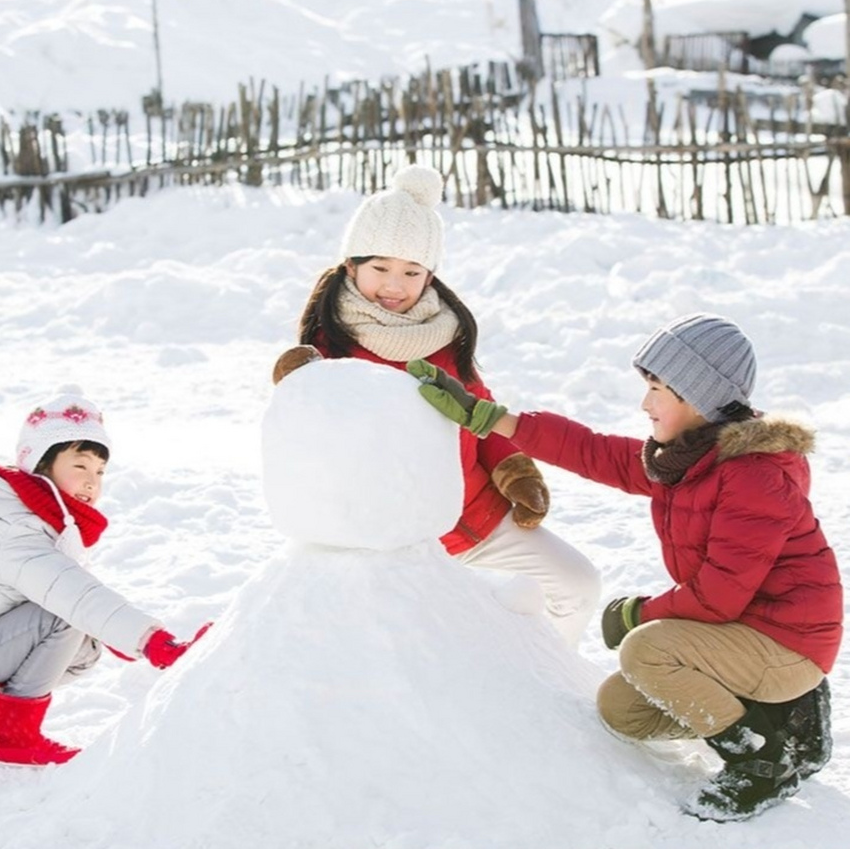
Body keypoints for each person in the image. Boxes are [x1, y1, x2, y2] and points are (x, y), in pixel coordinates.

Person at [409, 312, 842, 822]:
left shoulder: (752, 477)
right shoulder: (687, 457)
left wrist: (639, 613)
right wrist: (490, 419)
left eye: (658, 388)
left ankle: (761, 759)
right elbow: (595, 452)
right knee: (624, 710)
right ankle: (783, 716)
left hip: (789, 641)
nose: (645, 403)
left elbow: (718, 596)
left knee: (648, 650)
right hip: (741, 632)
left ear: (698, 396)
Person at [297, 164, 600, 647]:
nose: (395, 285)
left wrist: (513, 471)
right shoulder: (330, 349)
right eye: (380, 267)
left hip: (478, 517)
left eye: (411, 271)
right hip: (394, 543)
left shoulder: (443, 334)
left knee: (577, 585)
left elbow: (480, 413)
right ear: (350, 266)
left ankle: (547, 678)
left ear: (430, 274)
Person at [0, 388, 210, 769]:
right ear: (41, 466)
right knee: (64, 615)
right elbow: (74, 596)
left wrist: (115, 636)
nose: (92, 481)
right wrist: (153, 642)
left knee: (81, 649)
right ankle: (9, 738)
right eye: (80, 466)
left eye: (100, 471)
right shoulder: (18, 532)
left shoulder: (36, 522)